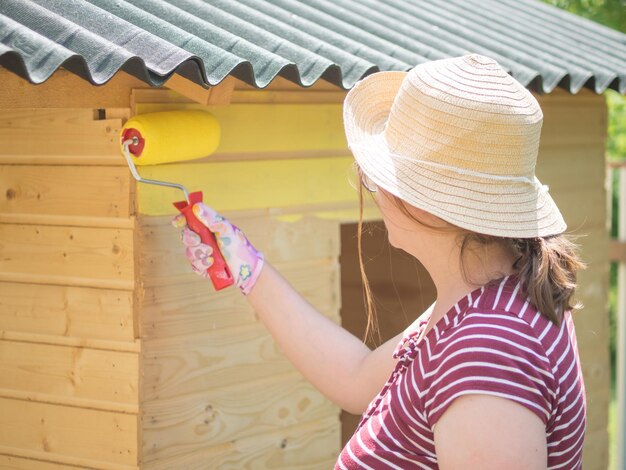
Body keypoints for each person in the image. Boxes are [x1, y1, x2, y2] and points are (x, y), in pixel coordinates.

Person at [173, 54, 586, 469]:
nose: (375, 193)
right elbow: (357, 377)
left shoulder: (486, 349)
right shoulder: (486, 296)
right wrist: (245, 265)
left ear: (423, 204)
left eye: (376, 177)